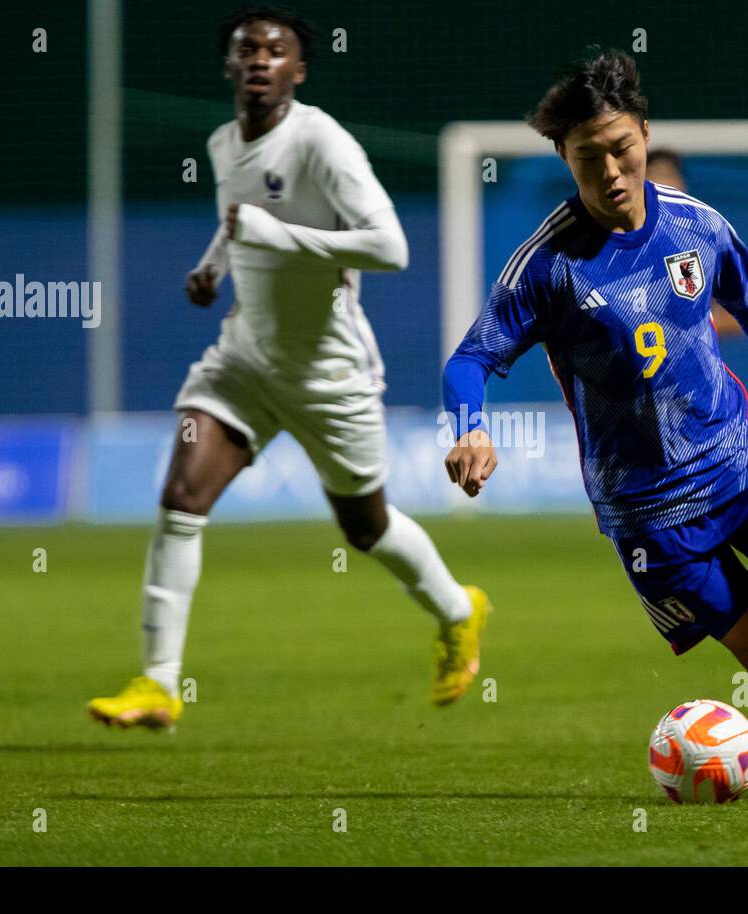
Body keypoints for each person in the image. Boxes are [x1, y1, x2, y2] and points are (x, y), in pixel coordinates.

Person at [442, 51, 748, 796]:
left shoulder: (694, 224)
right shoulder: (547, 265)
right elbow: (469, 359)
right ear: (565, 158)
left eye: (622, 149)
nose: (611, 171)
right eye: (589, 159)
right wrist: (470, 426)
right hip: (649, 510)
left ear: (644, 133)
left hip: (740, 458)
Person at [89, 6, 488, 731]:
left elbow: (391, 247)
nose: (260, 60)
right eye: (247, 50)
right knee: (181, 498)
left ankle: (459, 610)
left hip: (331, 375)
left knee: (364, 529)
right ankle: (158, 684)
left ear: (298, 70)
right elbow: (238, 215)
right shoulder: (220, 143)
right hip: (242, 361)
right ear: (230, 66)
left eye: (276, 51)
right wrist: (213, 267)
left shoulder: (322, 142)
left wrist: (281, 235)